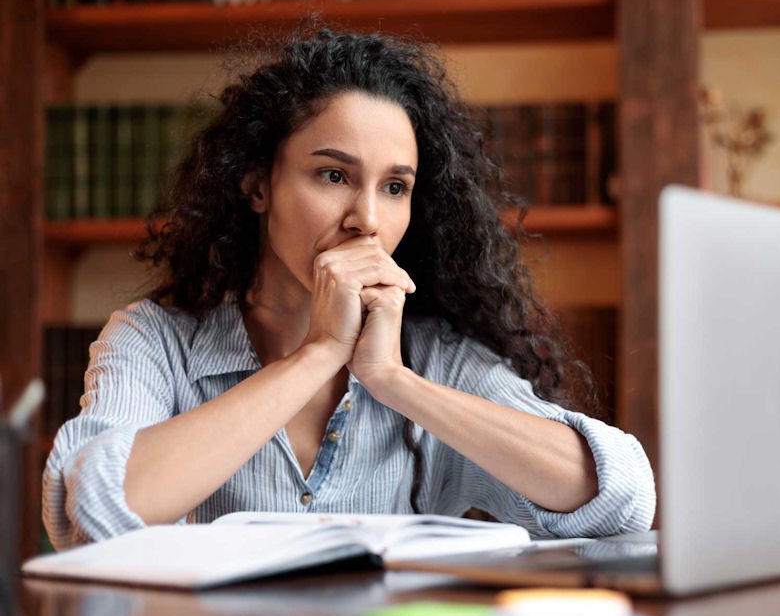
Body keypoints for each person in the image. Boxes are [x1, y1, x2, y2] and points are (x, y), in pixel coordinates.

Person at [42, 29, 655, 551]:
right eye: (333, 175)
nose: (367, 218)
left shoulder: (435, 358)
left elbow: (623, 499)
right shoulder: (155, 340)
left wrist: (394, 380)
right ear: (258, 186)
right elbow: (94, 513)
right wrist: (317, 354)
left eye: (395, 187)